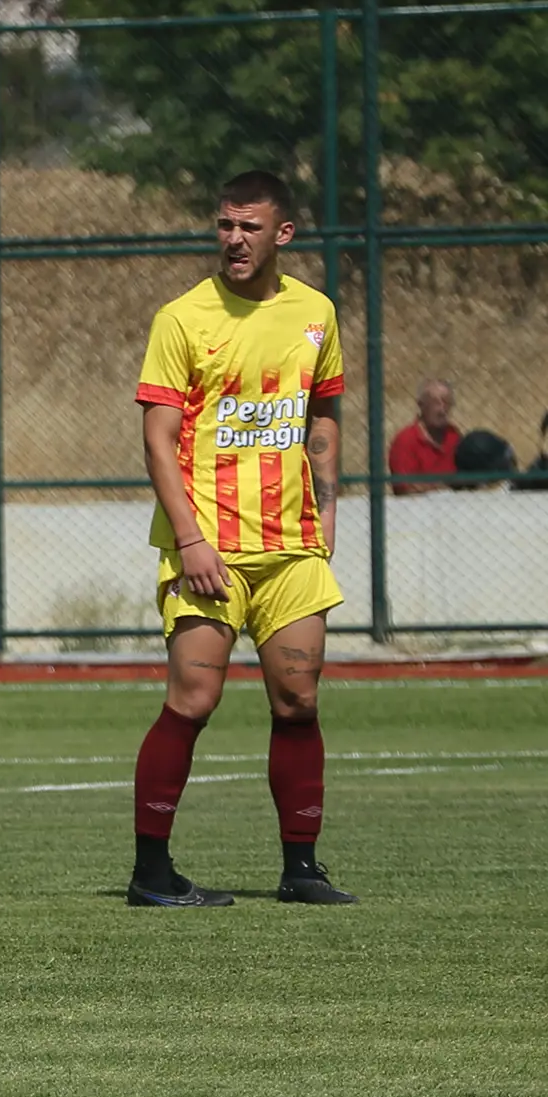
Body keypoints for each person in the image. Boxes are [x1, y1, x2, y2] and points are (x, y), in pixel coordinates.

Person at [124, 170, 355, 908]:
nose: (234, 239)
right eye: (225, 225)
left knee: (298, 700)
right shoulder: (184, 318)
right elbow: (157, 440)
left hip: (290, 548)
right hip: (209, 548)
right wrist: (189, 541)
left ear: (282, 234)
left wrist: (327, 509)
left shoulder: (316, 312)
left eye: (250, 227)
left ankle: (302, 869)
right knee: (192, 699)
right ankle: (151, 873)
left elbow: (323, 412)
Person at [386, 378, 459, 493]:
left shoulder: (454, 435)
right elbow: (405, 489)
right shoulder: (406, 440)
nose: (442, 409)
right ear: (421, 405)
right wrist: (446, 486)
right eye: (436, 403)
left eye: (447, 402)